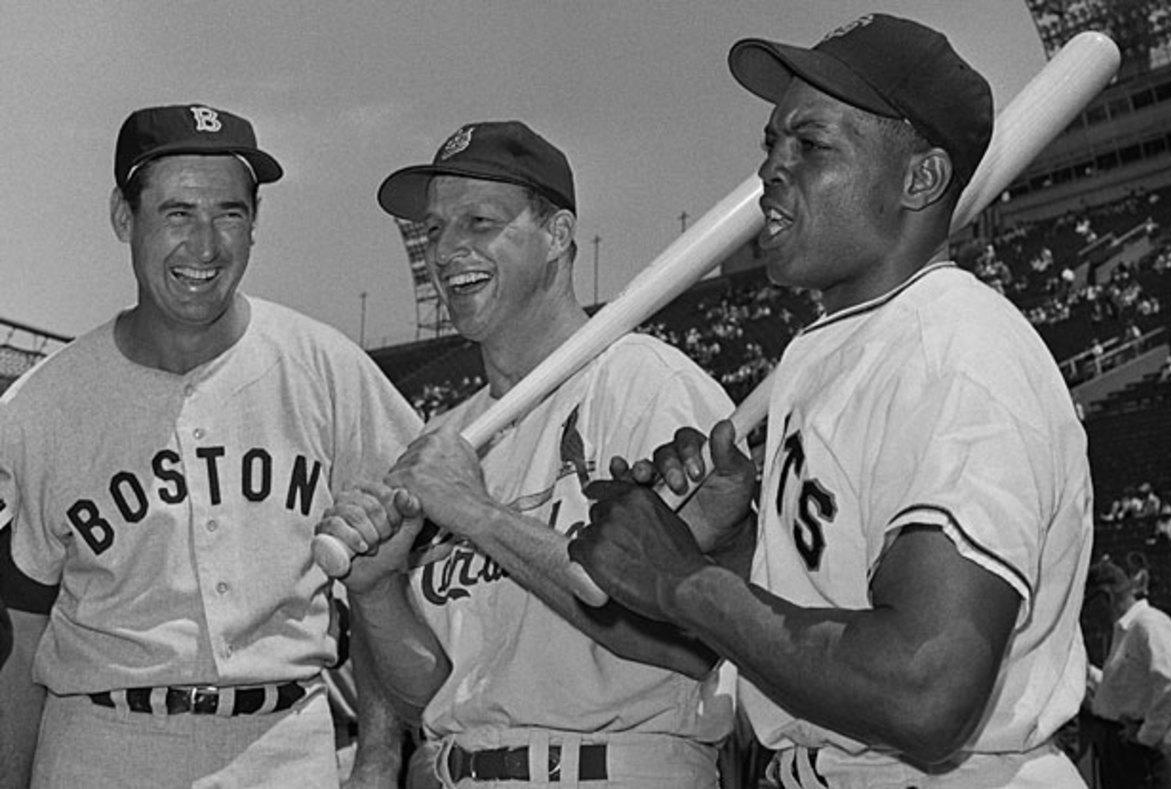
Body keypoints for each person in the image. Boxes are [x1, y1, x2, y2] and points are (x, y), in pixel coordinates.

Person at [569, 13, 1094, 787]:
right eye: (771, 146)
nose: (771, 172)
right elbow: (836, 609)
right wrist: (731, 540)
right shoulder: (828, 349)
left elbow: (926, 687)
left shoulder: (957, 350)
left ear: (921, 179)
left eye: (811, 146)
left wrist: (685, 580)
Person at [0, 103, 424, 787]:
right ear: (123, 217)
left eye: (229, 213)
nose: (205, 246)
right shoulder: (39, 409)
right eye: (177, 213)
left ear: (255, 225)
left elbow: (388, 579)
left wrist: (378, 755)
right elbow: (18, 637)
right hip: (103, 747)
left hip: (286, 743)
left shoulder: (327, 368)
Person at [319, 121, 736, 787]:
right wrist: (374, 587)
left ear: (558, 235)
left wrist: (480, 514)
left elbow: (691, 639)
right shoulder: (445, 436)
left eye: (479, 221)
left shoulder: (648, 388)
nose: (448, 249)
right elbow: (429, 695)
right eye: (435, 230)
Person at [1084, 559, 1171, 789]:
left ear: (1105, 597)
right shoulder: (1126, 630)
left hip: (1146, 754)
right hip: (1127, 746)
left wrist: (1145, 736)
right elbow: (1129, 691)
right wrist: (1087, 672)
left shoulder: (1149, 625)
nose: (1090, 617)